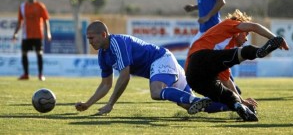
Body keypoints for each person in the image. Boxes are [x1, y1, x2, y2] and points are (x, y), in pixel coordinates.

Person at [75, 20, 212, 115]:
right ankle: (231, 103)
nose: (90, 42)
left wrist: (110, 104)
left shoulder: (117, 43)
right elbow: (106, 84)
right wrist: (88, 104)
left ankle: (196, 100)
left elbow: (125, 76)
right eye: (88, 39)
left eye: (91, 38)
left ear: (103, 35)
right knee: (190, 106)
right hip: (161, 65)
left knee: (156, 92)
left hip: (161, 59)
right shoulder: (102, 55)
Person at [185, 9, 289, 121]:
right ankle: (258, 52)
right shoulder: (228, 24)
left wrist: (242, 100)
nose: (247, 38)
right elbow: (254, 26)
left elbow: (227, 81)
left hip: (193, 79)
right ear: (239, 30)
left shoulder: (225, 52)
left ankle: (239, 107)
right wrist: (274, 38)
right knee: (244, 51)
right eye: (246, 34)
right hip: (198, 59)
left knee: (230, 97)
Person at [12, 0, 51, 81]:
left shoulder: (40, 6)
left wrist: (48, 33)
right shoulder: (22, 7)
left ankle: (40, 75)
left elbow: (46, 20)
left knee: (39, 53)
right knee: (24, 53)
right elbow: (19, 21)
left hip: (38, 35)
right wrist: (15, 33)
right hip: (26, 35)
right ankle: (26, 74)